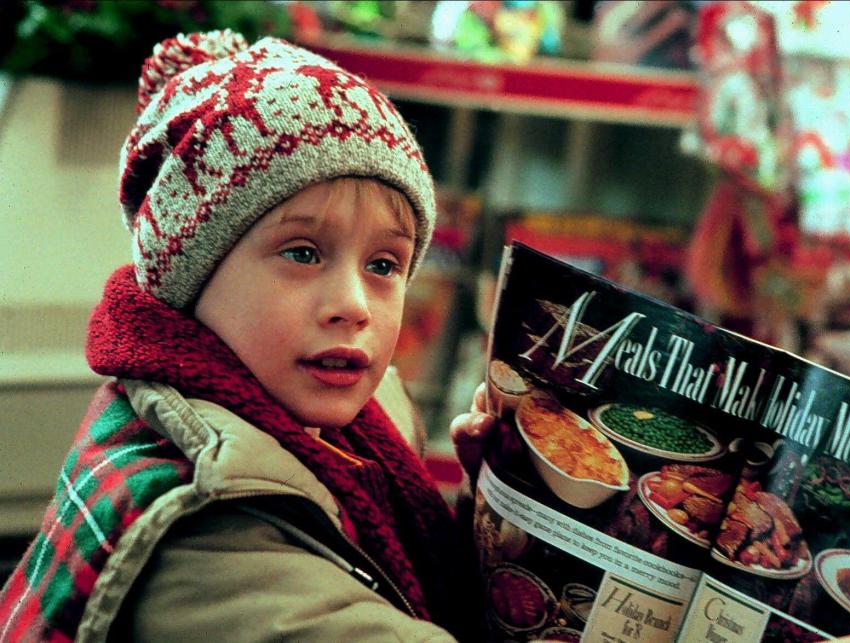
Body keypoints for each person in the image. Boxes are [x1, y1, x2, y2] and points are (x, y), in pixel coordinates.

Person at [0, 30, 488, 642]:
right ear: (191, 276)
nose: (353, 306)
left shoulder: (361, 429)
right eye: (303, 253)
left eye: (384, 265)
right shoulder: (206, 528)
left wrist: (498, 508)